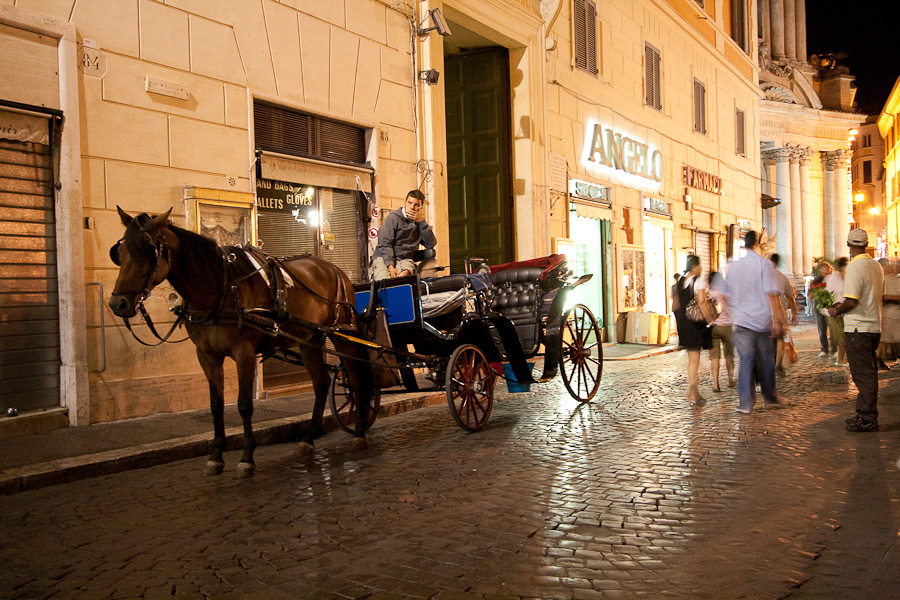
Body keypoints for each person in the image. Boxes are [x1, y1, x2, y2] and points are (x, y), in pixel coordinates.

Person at [724, 231, 786, 414]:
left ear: (744, 245)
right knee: (766, 360)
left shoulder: (733, 267)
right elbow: (771, 293)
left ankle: (746, 402)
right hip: (762, 320)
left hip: (741, 321)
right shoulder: (763, 264)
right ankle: (769, 397)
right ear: (758, 245)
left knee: (746, 360)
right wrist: (778, 321)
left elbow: (728, 294)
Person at [828, 228, 884, 432]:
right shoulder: (876, 266)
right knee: (868, 373)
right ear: (866, 244)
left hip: (858, 329)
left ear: (849, 244)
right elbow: (880, 297)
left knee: (863, 375)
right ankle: (864, 414)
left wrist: (836, 310)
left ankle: (868, 418)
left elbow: (852, 301)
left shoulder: (854, 267)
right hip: (874, 326)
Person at [673, 255, 714, 406]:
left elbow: (675, 306)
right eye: (699, 265)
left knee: (692, 360)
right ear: (694, 266)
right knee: (695, 360)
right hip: (695, 324)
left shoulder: (681, 281)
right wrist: (710, 320)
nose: (701, 268)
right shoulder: (699, 280)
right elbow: (702, 302)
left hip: (683, 324)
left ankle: (692, 391)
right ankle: (693, 393)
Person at [369, 189, 437, 281]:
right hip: (384, 257)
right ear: (405, 203)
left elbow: (430, 244)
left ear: (421, 207)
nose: (412, 207)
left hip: (405, 259)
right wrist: (390, 266)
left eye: (416, 205)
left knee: (402, 278)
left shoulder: (420, 224)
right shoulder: (393, 218)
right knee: (385, 282)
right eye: (409, 203)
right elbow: (385, 244)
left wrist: (422, 223)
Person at [770, 254, 799, 374]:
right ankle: (778, 365)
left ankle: (769, 364)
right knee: (780, 338)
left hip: (763, 314)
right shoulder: (782, 277)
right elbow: (791, 298)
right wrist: (794, 313)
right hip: (778, 313)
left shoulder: (761, 276)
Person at [707, 271, 734, 392]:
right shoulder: (725, 293)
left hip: (713, 327)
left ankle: (715, 384)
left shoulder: (708, 293)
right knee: (728, 354)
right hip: (727, 326)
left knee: (714, 357)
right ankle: (730, 379)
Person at [809, 260, 835, 357]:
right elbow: (810, 294)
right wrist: (817, 293)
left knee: (833, 328)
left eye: (827, 267)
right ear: (820, 269)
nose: (826, 269)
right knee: (822, 328)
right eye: (824, 267)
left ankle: (834, 349)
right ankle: (824, 349)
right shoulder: (816, 280)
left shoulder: (833, 279)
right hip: (820, 305)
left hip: (831, 305)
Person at [826, 258, 848, 367]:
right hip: (836, 310)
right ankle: (840, 359)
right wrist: (835, 306)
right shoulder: (834, 279)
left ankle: (840, 357)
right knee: (841, 335)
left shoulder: (843, 278)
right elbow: (829, 295)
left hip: (844, 310)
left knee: (843, 335)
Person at [876, 258, 898, 370]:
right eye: (889, 265)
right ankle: (878, 358)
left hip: (894, 313)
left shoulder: (895, 279)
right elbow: (882, 296)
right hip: (886, 313)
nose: (891, 267)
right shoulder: (881, 279)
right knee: (884, 339)